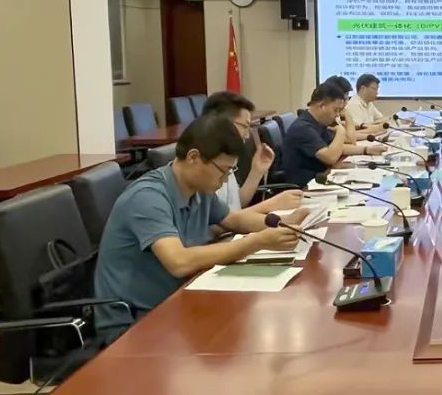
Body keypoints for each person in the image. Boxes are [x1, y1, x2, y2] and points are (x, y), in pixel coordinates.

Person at [95, 114, 307, 336]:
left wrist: (281, 223)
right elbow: (179, 262)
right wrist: (256, 242)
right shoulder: (148, 197)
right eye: (223, 171)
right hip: (135, 323)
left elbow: (234, 220)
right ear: (194, 157)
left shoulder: (199, 188)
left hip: (181, 299)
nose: (225, 180)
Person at [201, 91, 303, 212]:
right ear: (224, 123)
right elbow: (222, 221)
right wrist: (271, 204)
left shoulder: (226, 155)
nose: (248, 135)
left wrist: (257, 171)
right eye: (245, 126)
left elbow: (236, 204)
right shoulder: (205, 162)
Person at [283, 82, 387, 187]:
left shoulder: (318, 122)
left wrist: (367, 150)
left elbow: (339, 147)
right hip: (306, 186)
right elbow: (330, 157)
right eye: (335, 110)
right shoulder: (303, 128)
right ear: (322, 105)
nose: (337, 115)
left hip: (322, 177)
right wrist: (341, 131)